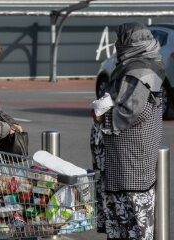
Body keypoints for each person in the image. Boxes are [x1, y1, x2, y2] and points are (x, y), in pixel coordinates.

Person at [90, 22, 165, 240]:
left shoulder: (138, 71)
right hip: (128, 162)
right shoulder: (143, 64)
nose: (117, 44)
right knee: (127, 223)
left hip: (129, 164)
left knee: (131, 224)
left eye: (121, 40)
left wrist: (101, 116)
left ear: (132, 44)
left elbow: (132, 111)